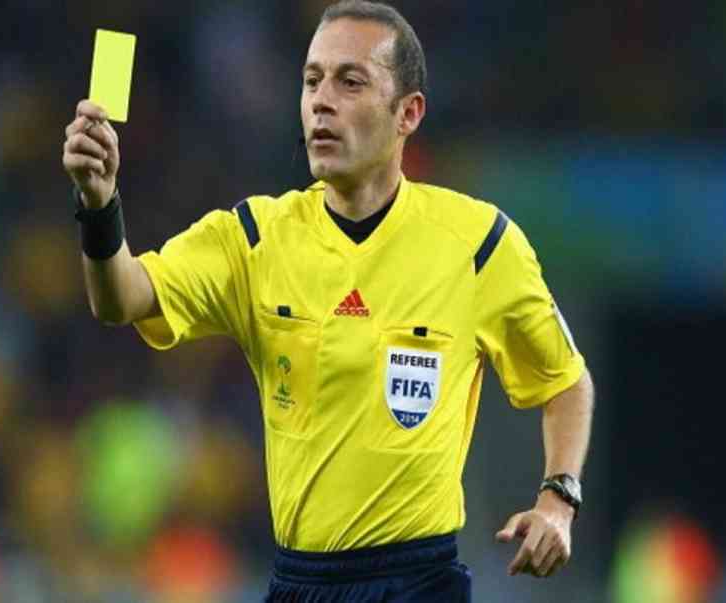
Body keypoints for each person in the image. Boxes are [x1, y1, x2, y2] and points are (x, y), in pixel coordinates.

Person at [62, 1, 594, 601]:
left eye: (350, 81)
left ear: (408, 113)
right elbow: (122, 298)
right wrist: (99, 205)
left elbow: (566, 382)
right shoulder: (255, 238)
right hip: (300, 583)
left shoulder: (478, 243)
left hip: (418, 583)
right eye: (312, 81)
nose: (321, 101)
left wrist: (559, 498)